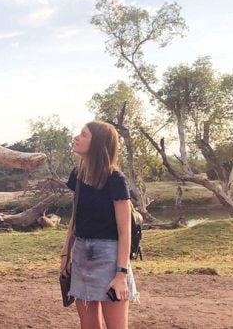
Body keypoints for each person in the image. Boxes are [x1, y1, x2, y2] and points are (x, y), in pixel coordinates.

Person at [60, 121, 139, 329]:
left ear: (98, 143)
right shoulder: (77, 175)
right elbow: (75, 218)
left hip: (109, 257)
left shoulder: (115, 179)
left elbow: (125, 231)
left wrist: (121, 274)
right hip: (80, 254)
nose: (76, 137)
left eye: (83, 135)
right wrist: (65, 254)